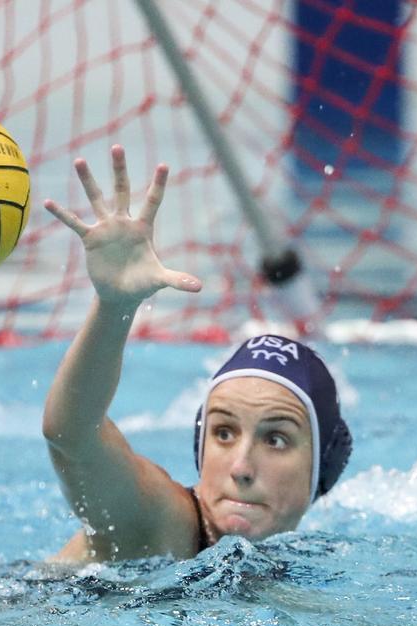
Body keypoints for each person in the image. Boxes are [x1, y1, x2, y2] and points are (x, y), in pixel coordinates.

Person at [41, 145, 353, 562]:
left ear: (323, 467)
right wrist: (114, 307)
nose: (241, 468)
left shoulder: (307, 559)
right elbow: (71, 435)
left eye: (275, 439)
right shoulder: (161, 524)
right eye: (223, 434)